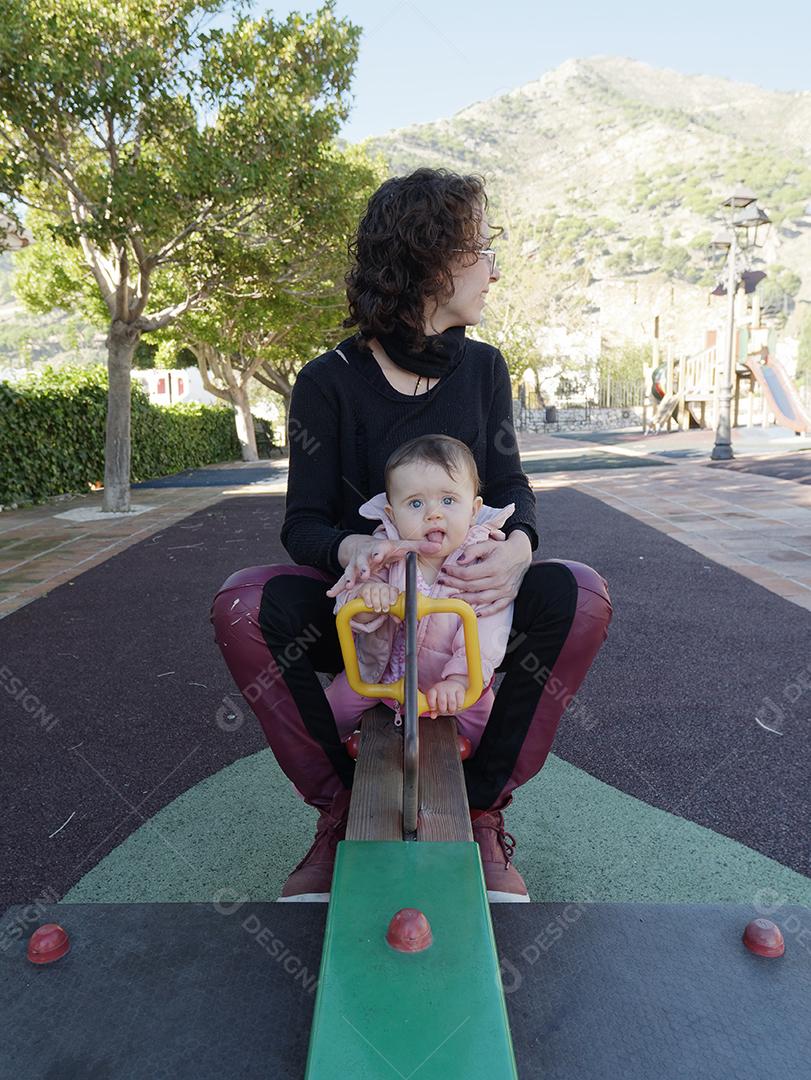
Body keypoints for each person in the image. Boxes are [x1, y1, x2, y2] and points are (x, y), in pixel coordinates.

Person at [211, 167, 613, 904]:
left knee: (577, 594)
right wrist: (355, 549)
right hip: (363, 617)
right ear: (430, 258)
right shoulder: (328, 380)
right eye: (480, 247)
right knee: (243, 605)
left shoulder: (485, 368)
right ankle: (337, 812)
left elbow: (510, 489)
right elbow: (302, 525)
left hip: (465, 612)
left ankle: (484, 808)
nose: (493, 267)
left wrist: (518, 551)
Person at [325, 434, 516, 749]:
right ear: (393, 512)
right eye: (415, 503)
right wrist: (369, 597)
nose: (433, 513)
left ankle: (482, 789)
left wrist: (460, 680)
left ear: (473, 508)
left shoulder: (480, 562)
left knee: (495, 737)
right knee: (330, 712)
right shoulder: (386, 552)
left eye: (448, 500)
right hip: (380, 677)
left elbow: (489, 627)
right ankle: (333, 775)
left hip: (453, 686)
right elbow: (349, 600)